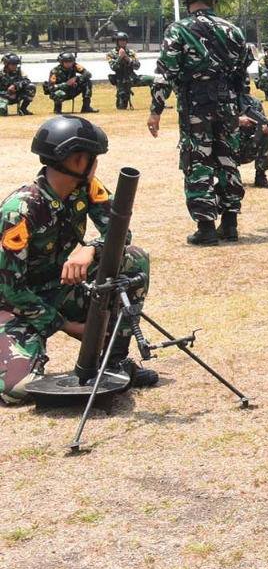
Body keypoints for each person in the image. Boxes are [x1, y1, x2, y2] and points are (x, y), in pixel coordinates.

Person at [0, 116, 160, 402]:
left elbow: (121, 234)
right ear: (75, 161)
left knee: (133, 260)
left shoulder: (86, 188)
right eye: (93, 158)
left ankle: (114, 362)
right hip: (16, 306)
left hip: (61, 288)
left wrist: (93, 249)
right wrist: (66, 325)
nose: (96, 164)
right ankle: (30, 352)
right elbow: (10, 290)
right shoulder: (20, 210)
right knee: (17, 390)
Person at [147, 0, 255, 245]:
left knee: (198, 161)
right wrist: (241, 105)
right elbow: (243, 75)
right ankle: (230, 224)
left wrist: (156, 110)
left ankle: (206, 227)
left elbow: (165, 73)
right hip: (228, 106)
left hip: (196, 108)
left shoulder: (178, 30)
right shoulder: (233, 30)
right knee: (227, 160)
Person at [106, 32, 151, 110]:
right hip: (121, 80)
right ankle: (121, 96)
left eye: (124, 40)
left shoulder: (131, 52)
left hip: (133, 78)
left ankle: (158, 102)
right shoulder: (111, 54)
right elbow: (113, 67)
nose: (123, 42)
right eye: (120, 40)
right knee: (122, 107)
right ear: (117, 42)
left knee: (155, 81)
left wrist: (128, 59)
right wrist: (120, 57)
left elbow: (137, 66)